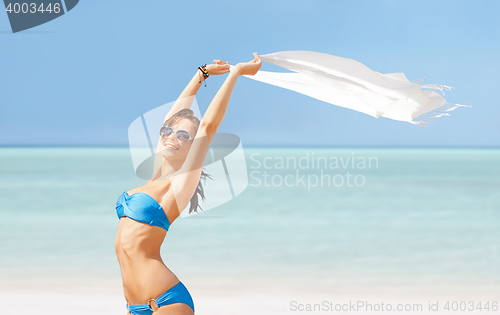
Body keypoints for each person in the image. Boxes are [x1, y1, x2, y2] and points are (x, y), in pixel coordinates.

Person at [115, 53, 262, 315]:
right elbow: (170, 120)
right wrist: (201, 74)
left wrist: (235, 73)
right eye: (168, 132)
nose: (172, 137)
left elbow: (209, 125)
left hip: (164, 301)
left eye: (183, 136)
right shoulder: (155, 174)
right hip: (134, 306)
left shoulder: (180, 182)